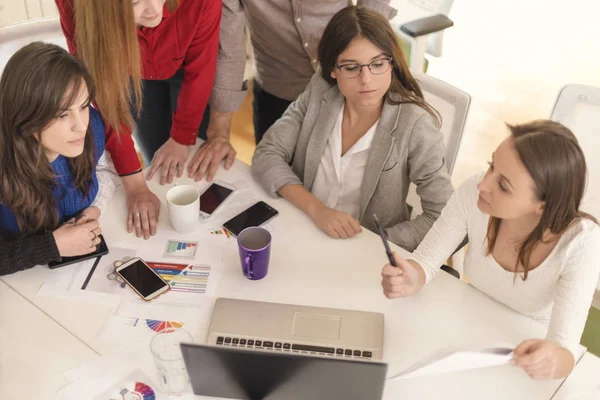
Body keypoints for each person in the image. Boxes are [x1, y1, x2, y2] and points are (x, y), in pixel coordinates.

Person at [381, 120, 600, 380]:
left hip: (523, 353)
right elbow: (425, 262)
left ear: (542, 205)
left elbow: (564, 352)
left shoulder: (581, 243)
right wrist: (409, 277)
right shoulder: (474, 193)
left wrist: (551, 361)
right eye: (491, 166)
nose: (483, 185)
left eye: (504, 186)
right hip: (464, 330)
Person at [251, 6, 454, 251]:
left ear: (392, 63)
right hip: (303, 227)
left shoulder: (416, 125)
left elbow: (445, 218)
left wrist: (374, 245)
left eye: (377, 64)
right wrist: (318, 211)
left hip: (367, 253)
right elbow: (267, 153)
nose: (366, 79)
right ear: (332, 70)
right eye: (351, 67)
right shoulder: (321, 90)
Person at [54, 0, 221, 238]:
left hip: (186, 67)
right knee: (156, 161)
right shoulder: (75, 6)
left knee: (188, 161)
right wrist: (135, 187)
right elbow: (107, 99)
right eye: (135, 3)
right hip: (126, 71)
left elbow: (201, 70)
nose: (156, 10)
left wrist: (183, 137)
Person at [189, 0, 398, 182]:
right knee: (275, 178)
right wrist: (219, 134)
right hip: (277, 85)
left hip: (347, 86)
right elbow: (229, 46)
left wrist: (361, 65)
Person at [0, 42, 117, 275]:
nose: (81, 125)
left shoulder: (92, 124)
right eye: (62, 114)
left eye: (83, 106)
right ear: (25, 117)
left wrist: (95, 209)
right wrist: (51, 246)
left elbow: (104, 171)